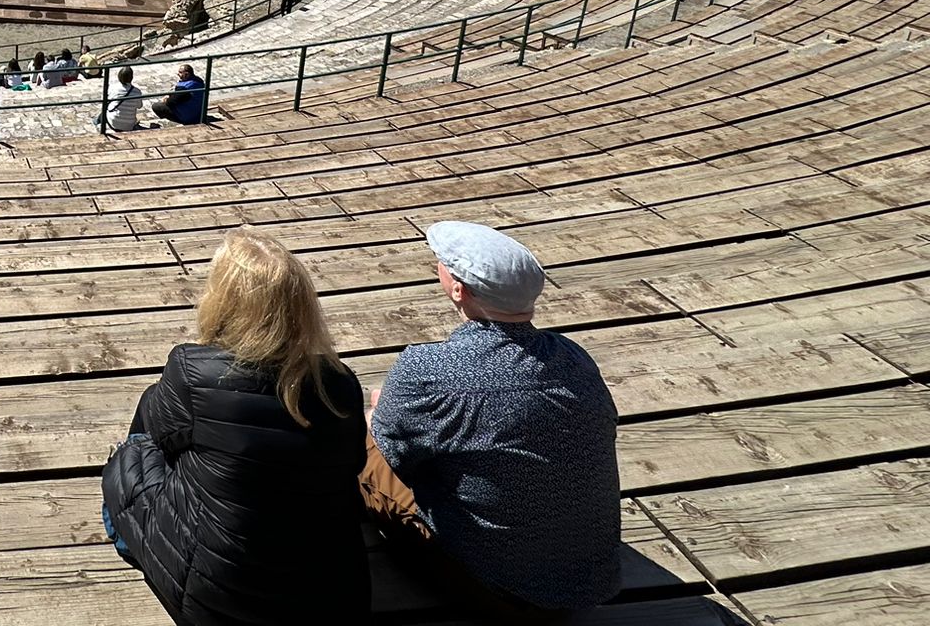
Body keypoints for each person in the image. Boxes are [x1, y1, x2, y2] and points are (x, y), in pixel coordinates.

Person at [102, 227, 368, 625]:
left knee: (130, 456)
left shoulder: (194, 372)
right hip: (330, 598)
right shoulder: (339, 384)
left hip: (223, 600)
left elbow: (156, 439)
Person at [363, 222, 621, 621]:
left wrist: (380, 414)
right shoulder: (575, 357)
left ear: (458, 290)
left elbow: (394, 452)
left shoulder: (427, 370)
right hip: (586, 582)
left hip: (498, 589)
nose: (438, 266)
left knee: (363, 438)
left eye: (442, 264)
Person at [99, 65, 144, 133]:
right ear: (131, 77)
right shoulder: (137, 92)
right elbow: (139, 106)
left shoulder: (113, 88)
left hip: (113, 122)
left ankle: (97, 123)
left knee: (102, 113)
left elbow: (105, 100)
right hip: (129, 125)